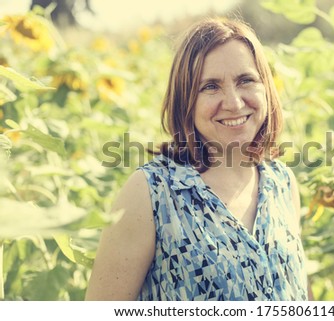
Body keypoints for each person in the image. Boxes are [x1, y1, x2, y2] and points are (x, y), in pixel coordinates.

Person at [85, 17, 310, 301]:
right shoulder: (151, 192)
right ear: (185, 101)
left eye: (246, 80)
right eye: (210, 87)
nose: (234, 102)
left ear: (266, 88)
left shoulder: (282, 183)